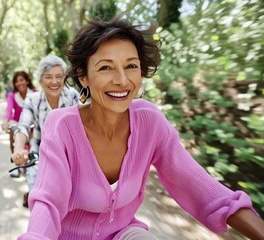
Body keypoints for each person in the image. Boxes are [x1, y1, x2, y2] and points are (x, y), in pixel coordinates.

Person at [17, 17, 264, 239]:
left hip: (124, 234)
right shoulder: (61, 126)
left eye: (131, 66)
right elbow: (47, 202)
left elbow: (200, 187)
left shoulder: (150, 122)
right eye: (105, 67)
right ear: (84, 77)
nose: (122, 80)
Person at [11, 55, 79, 208]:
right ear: (40, 80)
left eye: (59, 77)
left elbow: (87, 125)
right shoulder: (32, 100)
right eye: (48, 77)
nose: (54, 82)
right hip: (40, 156)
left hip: (70, 158)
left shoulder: (72, 96)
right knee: (38, 202)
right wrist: (18, 149)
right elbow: (23, 126)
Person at [1, 71, 36, 178]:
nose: (19, 83)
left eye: (21, 80)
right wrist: (5, 121)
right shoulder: (12, 95)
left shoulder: (35, 93)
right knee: (13, 139)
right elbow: (8, 110)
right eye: (16, 82)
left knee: (33, 142)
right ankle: (17, 164)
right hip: (17, 122)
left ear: (27, 81)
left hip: (32, 122)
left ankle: (33, 164)